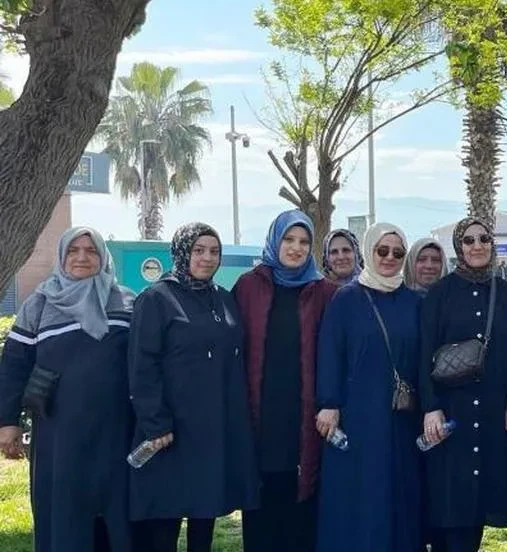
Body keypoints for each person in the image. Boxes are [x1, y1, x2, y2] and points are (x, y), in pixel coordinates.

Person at [0, 227, 135, 552]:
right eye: (73, 251)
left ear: (103, 257)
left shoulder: (126, 300)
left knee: (118, 516)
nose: (82, 257)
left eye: (91, 251)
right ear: (62, 257)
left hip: (117, 432)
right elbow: (14, 367)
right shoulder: (39, 304)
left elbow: (146, 362)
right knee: (63, 514)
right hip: (60, 434)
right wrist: (8, 423)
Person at [129, 223, 259, 552]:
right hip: (171, 428)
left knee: (206, 508)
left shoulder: (224, 299)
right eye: (198, 250)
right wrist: (155, 422)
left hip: (214, 425)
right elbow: (143, 365)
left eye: (214, 251)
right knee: (166, 513)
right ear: (182, 252)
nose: (207, 258)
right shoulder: (157, 299)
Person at [419, 218, 507, 552]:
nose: (477, 246)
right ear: (458, 247)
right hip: (452, 412)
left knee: (480, 505)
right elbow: (424, 354)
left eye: (484, 239)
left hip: (494, 410)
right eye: (468, 240)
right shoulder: (440, 294)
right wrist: (431, 407)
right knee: (452, 505)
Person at [233, 210, 337, 552]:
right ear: (274, 241)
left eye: (304, 241)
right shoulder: (249, 286)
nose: (295, 248)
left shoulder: (325, 292)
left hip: (305, 420)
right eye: (288, 240)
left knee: (300, 517)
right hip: (259, 419)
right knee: (261, 516)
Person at [315, 223, 422, 552]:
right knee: (360, 493)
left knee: (398, 491)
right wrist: (329, 402)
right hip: (358, 414)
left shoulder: (413, 301)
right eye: (382, 250)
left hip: (401, 416)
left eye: (398, 252)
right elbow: (330, 352)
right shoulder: (347, 299)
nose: (390, 258)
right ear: (369, 251)